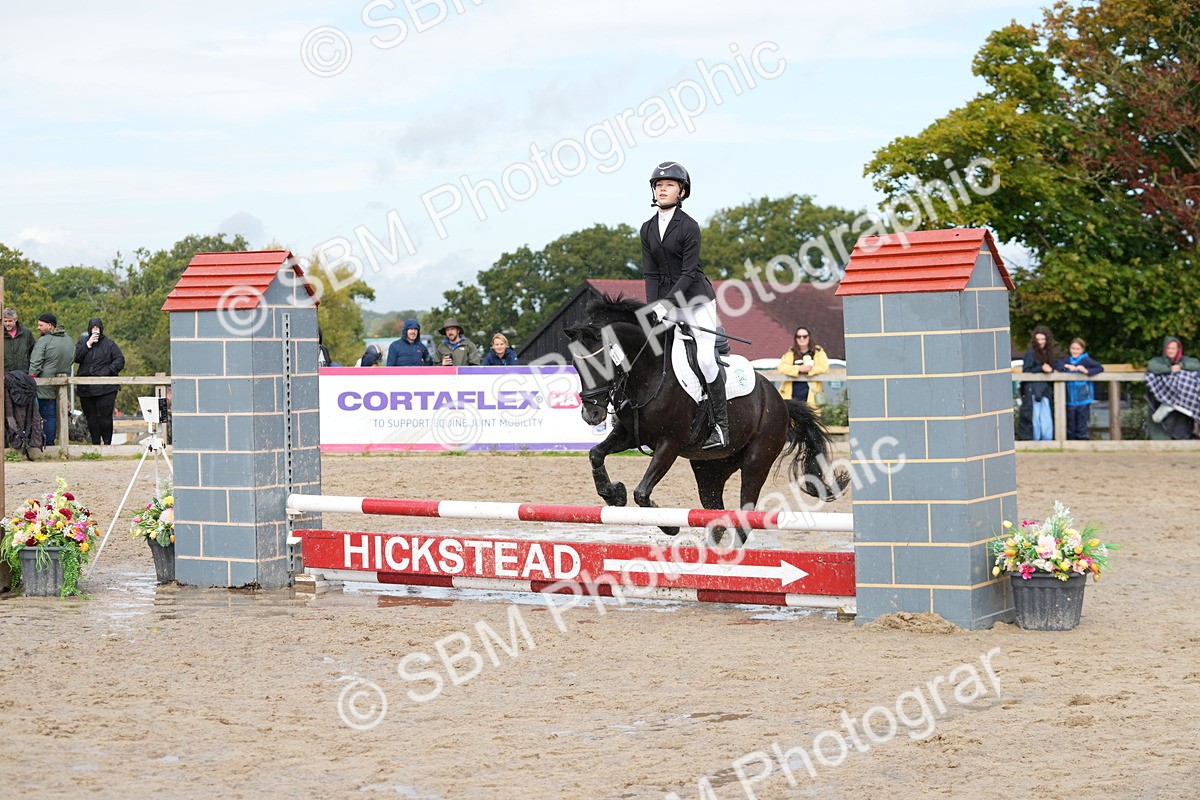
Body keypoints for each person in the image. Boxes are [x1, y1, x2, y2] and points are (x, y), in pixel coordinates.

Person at [640, 161, 727, 449]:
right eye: (659, 185)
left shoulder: (689, 226)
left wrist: (666, 304)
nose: (662, 189)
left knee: (703, 358)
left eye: (669, 185)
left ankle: (720, 425)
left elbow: (689, 274)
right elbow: (651, 273)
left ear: (682, 191)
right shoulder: (647, 228)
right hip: (668, 303)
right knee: (647, 348)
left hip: (697, 301)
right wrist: (654, 306)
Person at [74, 316, 125, 445]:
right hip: (86, 388)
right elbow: (76, 357)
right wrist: (88, 344)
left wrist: (108, 370)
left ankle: (107, 443)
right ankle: (95, 444)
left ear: (101, 329)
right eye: (93, 328)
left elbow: (120, 360)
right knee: (91, 418)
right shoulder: (82, 342)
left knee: (105, 418)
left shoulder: (109, 344)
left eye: (97, 328)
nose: (95, 330)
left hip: (106, 388)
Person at [28, 312, 75, 445]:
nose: (38, 328)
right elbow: (72, 358)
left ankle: (48, 444)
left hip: (44, 384)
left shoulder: (44, 341)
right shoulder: (69, 340)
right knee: (59, 414)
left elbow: (36, 361)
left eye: (40, 325)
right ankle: (56, 442)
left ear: (50, 326)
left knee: (47, 415)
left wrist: (31, 376)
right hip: (62, 383)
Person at [1146, 336, 1200, 432]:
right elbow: (1152, 367)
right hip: (1166, 390)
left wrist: (1181, 366)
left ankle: (1173, 404)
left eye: (1173, 348)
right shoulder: (1159, 360)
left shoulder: (1184, 359)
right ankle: (1170, 403)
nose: (1170, 351)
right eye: (1168, 348)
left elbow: (1197, 364)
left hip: (1184, 393)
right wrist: (1170, 369)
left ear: (1178, 349)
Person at [1054, 338, 1104, 440]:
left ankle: (1081, 439)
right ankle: (1070, 440)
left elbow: (1099, 368)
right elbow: (1056, 365)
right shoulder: (1067, 360)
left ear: (1082, 350)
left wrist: (1086, 370)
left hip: (1083, 397)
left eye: (1078, 349)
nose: (1075, 351)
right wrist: (1066, 366)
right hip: (1069, 398)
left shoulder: (1086, 360)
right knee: (1070, 421)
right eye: (1073, 348)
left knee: (1082, 420)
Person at [1018, 325, 1058, 441]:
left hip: (1045, 390)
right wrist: (1042, 368)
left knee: (1046, 418)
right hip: (1033, 390)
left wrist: (1050, 370)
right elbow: (1027, 370)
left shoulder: (1049, 353)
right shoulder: (1030, 353)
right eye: (1038, 339)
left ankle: (1046, 440)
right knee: (1034, 418)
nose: (1040, 342)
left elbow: (1054, 367)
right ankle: (1034, 440)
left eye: (1043, 339)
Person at [777, 326, 829, 409]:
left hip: (811, 393)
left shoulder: (818, 352)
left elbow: (824, 367)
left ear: (809, 337)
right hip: (791, 393)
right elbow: (782, 367)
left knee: (811, 418)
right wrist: (798, 369)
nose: (802, 339)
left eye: (804, 336)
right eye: (799, 336)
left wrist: (809, 370)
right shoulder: (790, 353)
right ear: (795, 338)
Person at [3, 308, 35, 374]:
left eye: (10, 321)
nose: (7, 324)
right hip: (5, 374)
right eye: (5, 321)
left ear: (16, 319)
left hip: (23, 373)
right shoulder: (1, 334)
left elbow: (33, 352)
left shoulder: (26, 333)